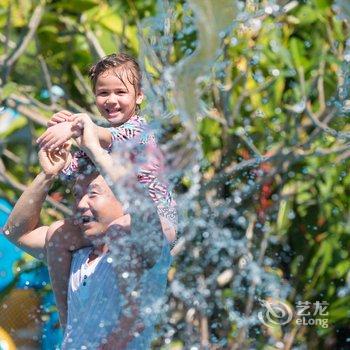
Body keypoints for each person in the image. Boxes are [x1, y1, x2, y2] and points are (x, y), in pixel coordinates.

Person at [4, 117, 174, 349]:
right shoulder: (74, 252)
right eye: (77, 195)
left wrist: (94, 147)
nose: (82, 203)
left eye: (93, 194)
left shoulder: (144, 250)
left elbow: (143, 209)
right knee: (57, 230)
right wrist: (47, 176)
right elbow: (14, 232)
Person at [36, 53, 177, 327]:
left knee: (120, 227)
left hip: (157, 223)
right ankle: (69, 323)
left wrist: (78, 128)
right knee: (58, 235)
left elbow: (110, 137)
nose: (111, 100)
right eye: (103, 93)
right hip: (114, 225)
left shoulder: (140, 131)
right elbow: (75, 175)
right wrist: (59, 152)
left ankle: (128, 323)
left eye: (120, 92)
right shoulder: (93, 143)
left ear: (139, 96)